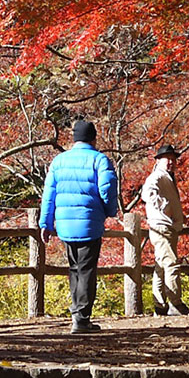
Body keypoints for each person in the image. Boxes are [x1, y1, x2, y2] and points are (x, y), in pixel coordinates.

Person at [40, 119, 119, 334]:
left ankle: (78, 314)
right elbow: (107, 188)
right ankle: (82, 318)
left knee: (74, 268)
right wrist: (110, 211)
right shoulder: (100, 160)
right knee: (86, 270)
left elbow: (49, 195)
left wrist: (45, 223)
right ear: (93, 138)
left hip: (65, 223)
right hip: (89, 221)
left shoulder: (59, 161)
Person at [140, 145, 189, 316]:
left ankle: (160, 306)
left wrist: (176, 215)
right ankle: (175, 303)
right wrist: (165, 208)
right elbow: (147, 194)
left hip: (165, 226)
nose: (171, 162)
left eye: (173, 158)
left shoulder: (167, 177)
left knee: (161, 265)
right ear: (158, 160)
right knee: (171, 264)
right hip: (161, 226)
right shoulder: (157, 176)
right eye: (167, 158)